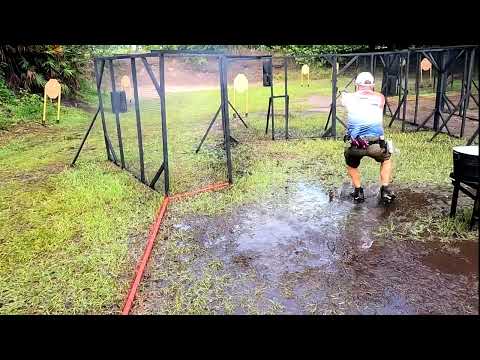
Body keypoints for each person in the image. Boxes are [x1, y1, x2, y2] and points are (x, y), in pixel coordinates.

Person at [340, 72, 395, 204]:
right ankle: (385, 190)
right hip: (376, 145)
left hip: (355, 145)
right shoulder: (380, 97)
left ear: (356, 85)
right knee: (386, 159)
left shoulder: (348, 98)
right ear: (373, 85)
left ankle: (358, 192)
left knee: (351, 163)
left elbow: (344, 101)